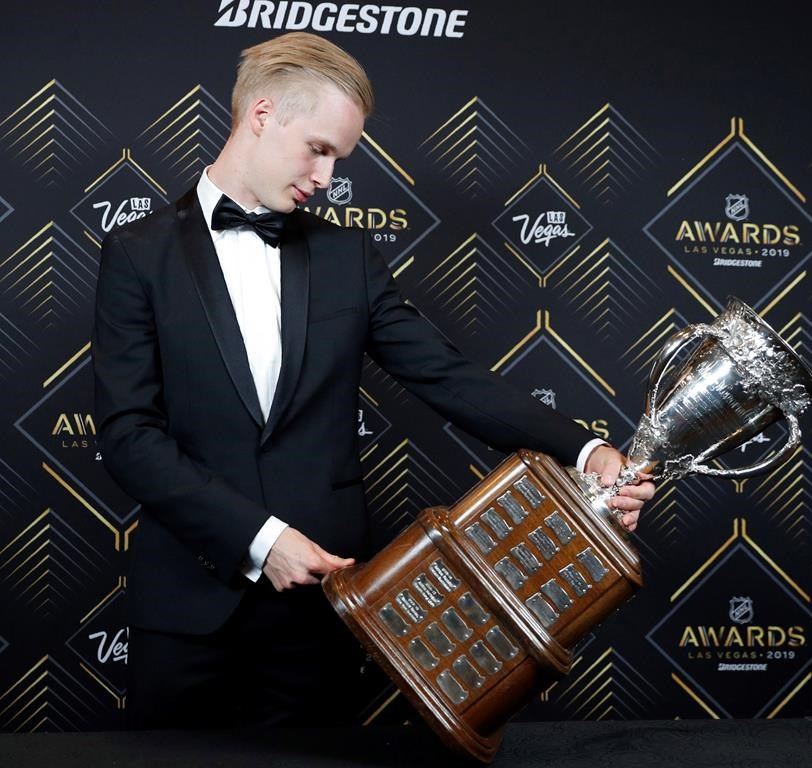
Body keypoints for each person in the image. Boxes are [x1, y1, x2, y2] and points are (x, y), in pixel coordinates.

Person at [92, 31, 654, 730]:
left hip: (324, 608)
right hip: (183, 610)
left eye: (339, 158)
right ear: (262, 114)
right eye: (319, 149)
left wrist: (584, 451)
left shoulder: (348, 257)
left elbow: (449, 377)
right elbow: (127, 437)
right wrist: (261, 539)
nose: (327, 177)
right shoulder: (137, 254)